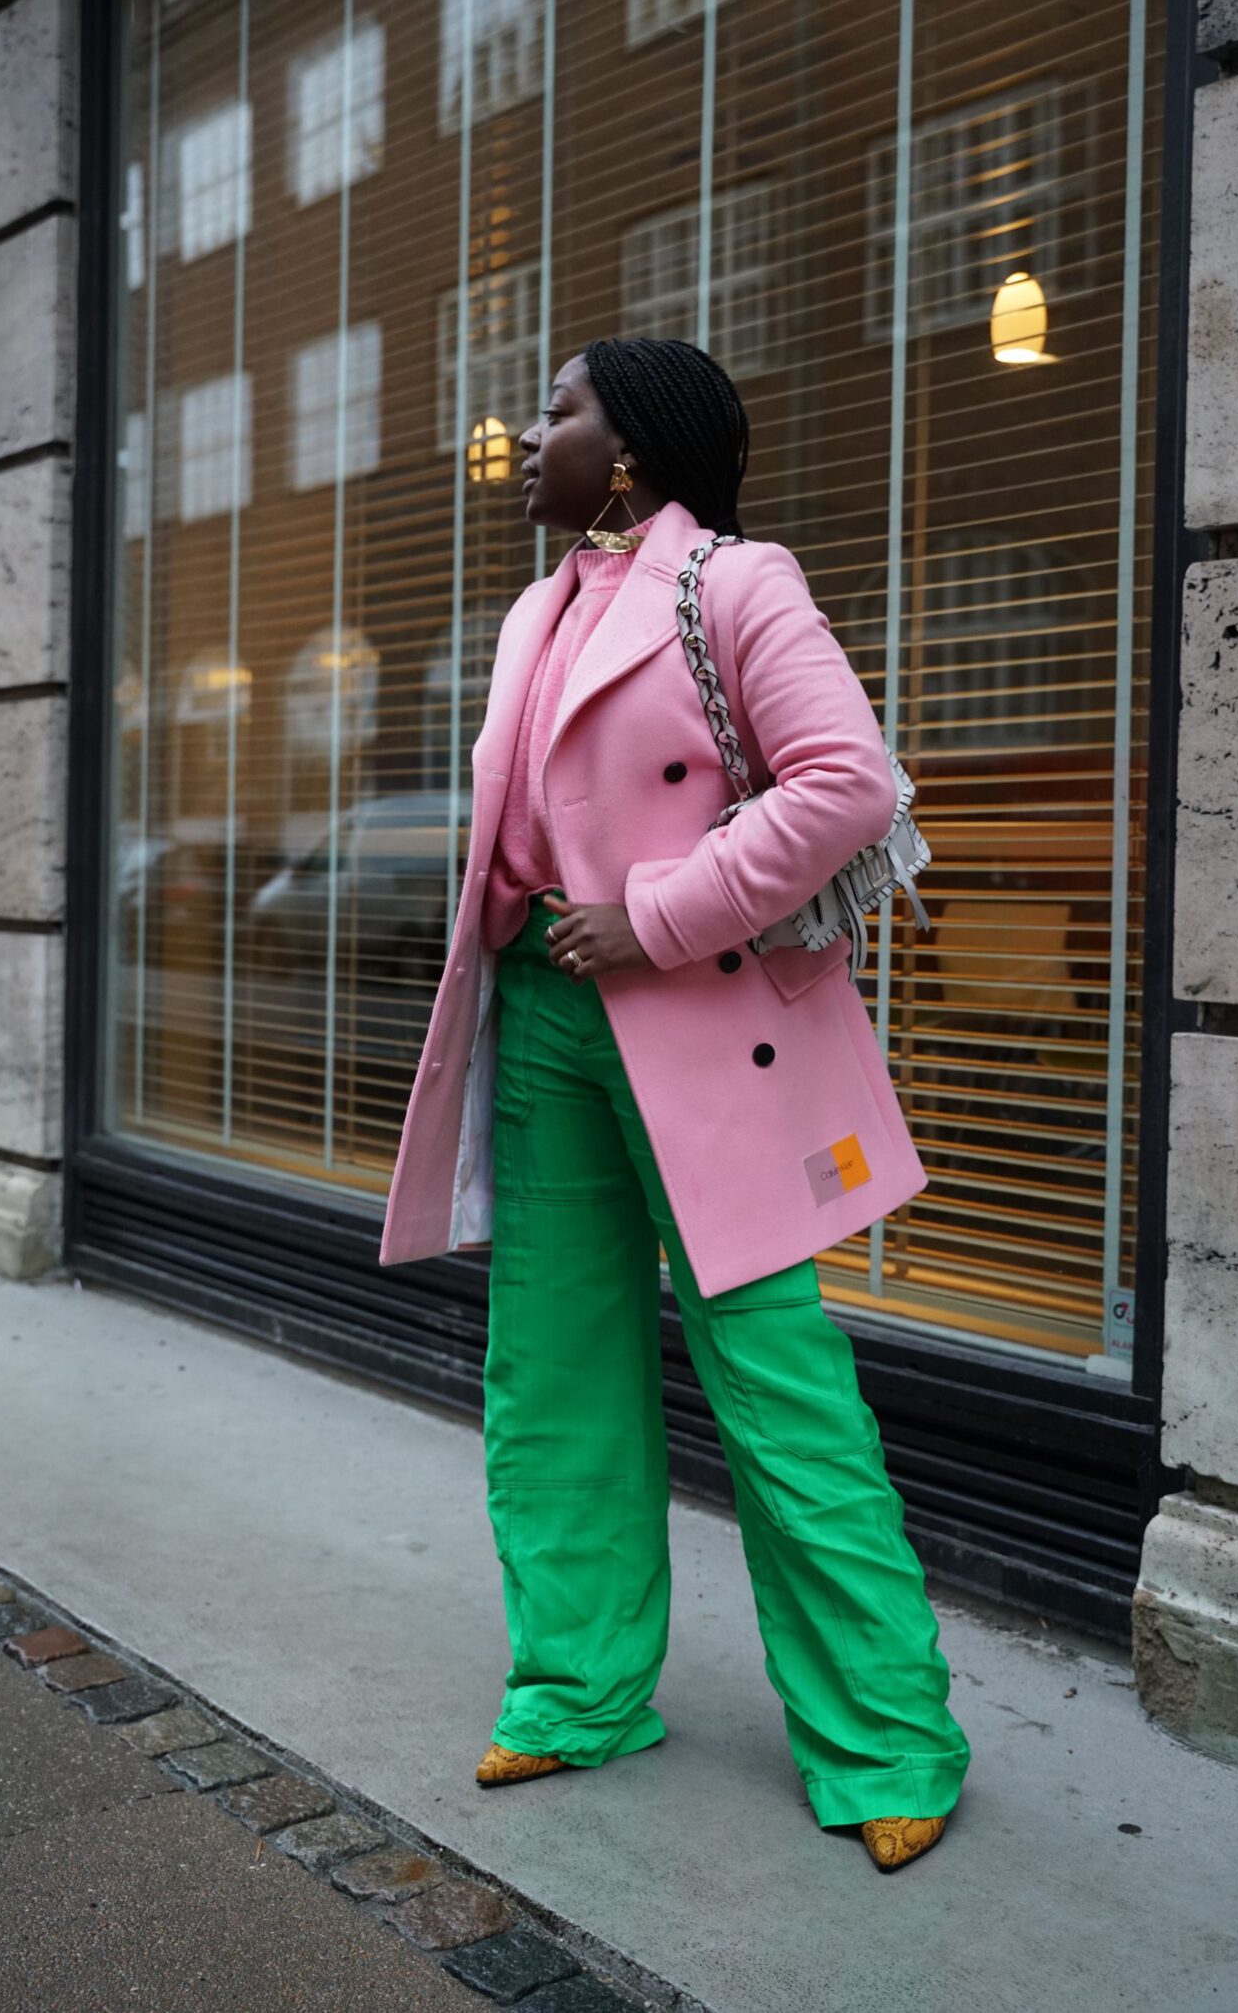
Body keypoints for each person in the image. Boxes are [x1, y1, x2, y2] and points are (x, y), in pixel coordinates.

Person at [378, 336, 970, 1874]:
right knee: (550, 1369)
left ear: (630, 450)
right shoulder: (538, 606)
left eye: (557, 411)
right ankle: (579, 1690)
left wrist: (659, 910)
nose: (526, 433)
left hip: (699, 1026)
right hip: (543, 1021)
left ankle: (891, 1738)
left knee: (777, 1381)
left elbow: (847, 779)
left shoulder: (737, 583)